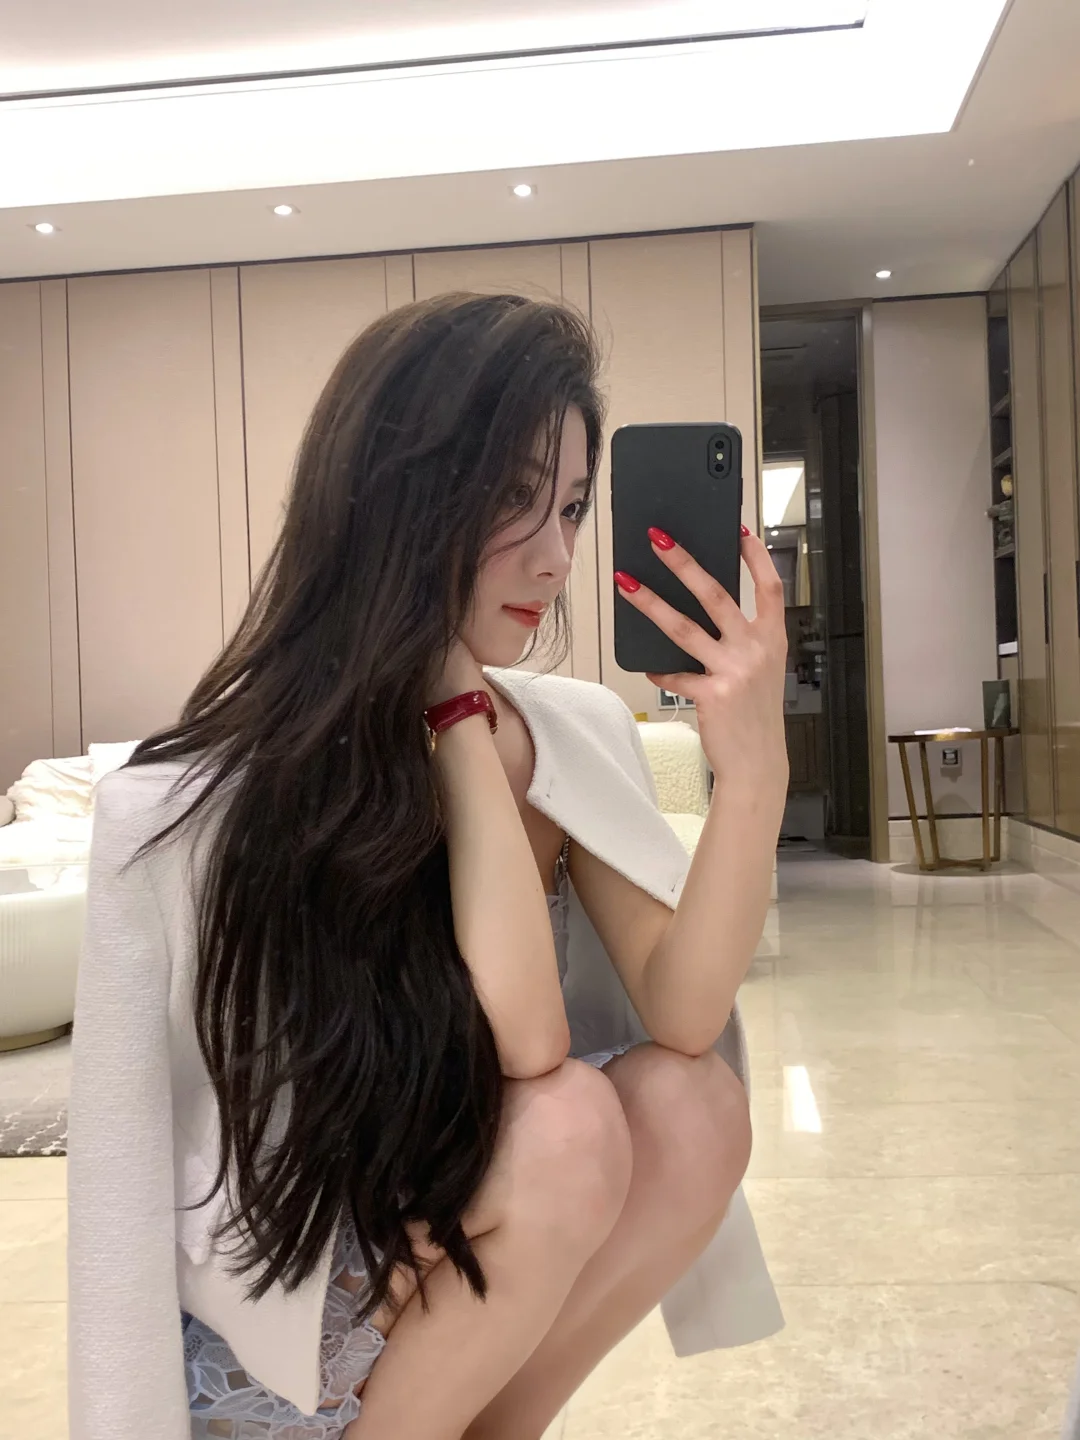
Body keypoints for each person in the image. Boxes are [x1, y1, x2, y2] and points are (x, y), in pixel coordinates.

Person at [67, 293, 788, 1440]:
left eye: (572, 506)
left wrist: (753, 772)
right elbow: (115, 1191)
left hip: (472, 1269)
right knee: (565, 1125)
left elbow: (685, 1014)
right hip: (303, 1319)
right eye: (512, 499)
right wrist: (453, 710)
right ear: (394, 497)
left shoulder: (568, 733)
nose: (555, 556)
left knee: (690, 1109)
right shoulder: (188, 809)